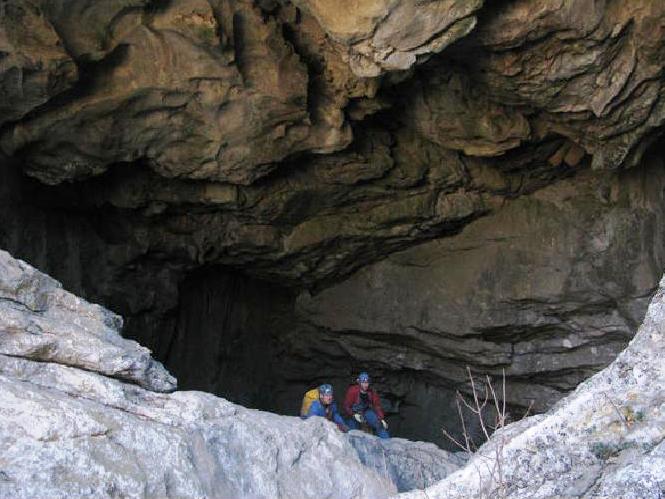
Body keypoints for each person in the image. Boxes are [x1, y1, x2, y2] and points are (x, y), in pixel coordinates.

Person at [343, 372, 390, 438]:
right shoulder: (353, 391)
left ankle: (387, 443)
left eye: (367, 382)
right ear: (359, 382)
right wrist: (353, 414)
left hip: (366, 411)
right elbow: (347, 406)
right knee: (352, 429)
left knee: (379, 425)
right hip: (354, 412)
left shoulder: (371, 392)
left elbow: (377, 406)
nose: (366, 385)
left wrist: (381, 418)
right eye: (363, 382)